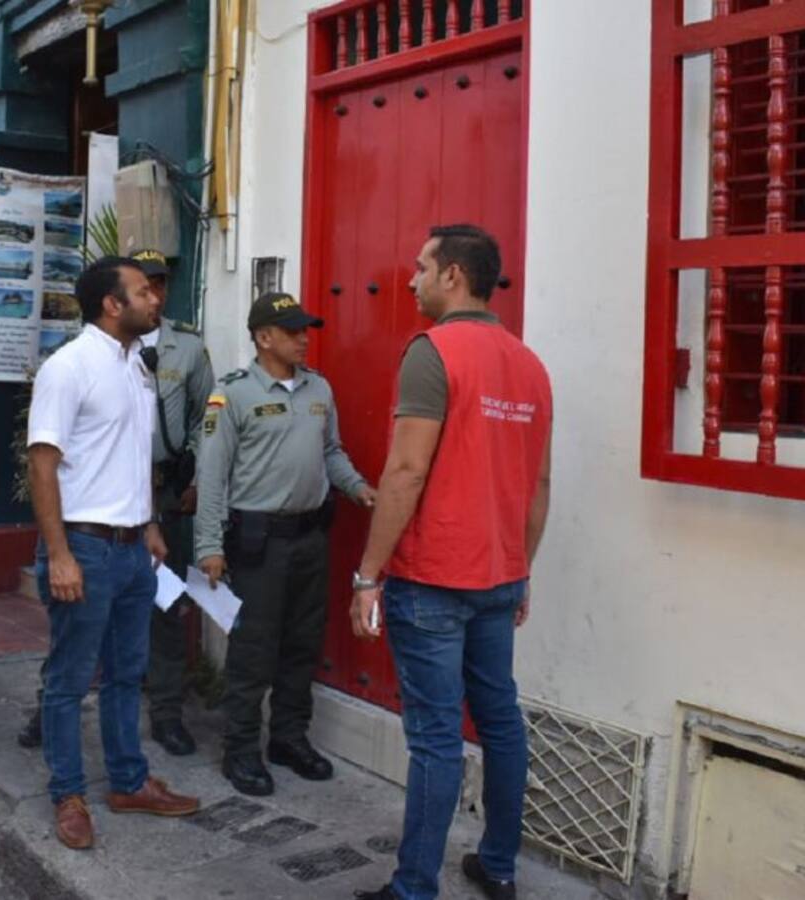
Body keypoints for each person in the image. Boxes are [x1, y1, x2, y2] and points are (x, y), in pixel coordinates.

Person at [349, 225, 553, 900]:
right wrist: (520, 567)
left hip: (433, 579)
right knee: (500, 720)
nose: (410, 279)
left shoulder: (432, 353)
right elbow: (539, 484)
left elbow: (406, 469)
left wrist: (367, 574)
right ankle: (498, 867)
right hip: (497, 576)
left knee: (436, 740)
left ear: (454, 276)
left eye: (421, 267)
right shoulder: (529, 364)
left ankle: (413, 889)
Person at [27, 256, 200, 851]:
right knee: (70, 678)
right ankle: (68, 793)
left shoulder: (136, 366)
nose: (155, 300)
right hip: (85, 546)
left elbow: (133, 455)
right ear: (111, 304)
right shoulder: (68, 368)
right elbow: (42, 463)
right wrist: (60, 554)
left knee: (129, 673)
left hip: (131, 550)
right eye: (143, 292)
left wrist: (149, 522)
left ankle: (128, 781)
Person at [195, 291, 376, 797]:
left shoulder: (319, 388)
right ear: (263, 337)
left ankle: (290, 738)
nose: (303, 338)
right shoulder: (232, 394)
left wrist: (357, 486)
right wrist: (209, 544)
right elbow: (211, 475)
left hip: (310, 538)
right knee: (253, 651)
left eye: (305, 329)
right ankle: (241, 749)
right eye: (293, 330)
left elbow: (332, 452)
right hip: (258, 543)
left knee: (303, 644)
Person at [134, 248, 214, 756]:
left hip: (165, 491)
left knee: (167, 602)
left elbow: (211, 416)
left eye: (160, 284)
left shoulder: (187, 348)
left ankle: (166, 711)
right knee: (97, 602)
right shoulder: (103, 346)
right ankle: (51, 702)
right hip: (112, 497)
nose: (155, 295)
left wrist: (198, 476)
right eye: (145, 285)